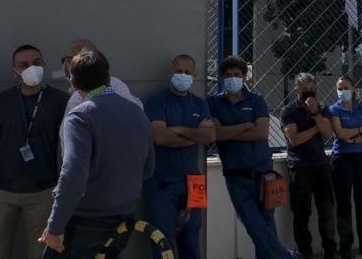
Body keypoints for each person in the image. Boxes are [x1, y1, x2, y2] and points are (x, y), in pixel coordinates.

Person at [40, 48, 154, 259]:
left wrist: (54, 229)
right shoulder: (137, 112)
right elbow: (147, 169)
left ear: (72, 83)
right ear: (108, 77)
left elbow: (73, 174)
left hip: (87, 219)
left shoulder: (80, 117)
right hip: (124, 216)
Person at [0, 45, 69, 259]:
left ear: (44, 65)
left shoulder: (60, 100)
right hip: (1, 192)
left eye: (37, 63)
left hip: (44, 192)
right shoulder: (0, 101)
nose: (32, 68)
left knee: (41, 254)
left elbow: (71, 145)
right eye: (24, 65)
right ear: (14, 71)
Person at [209, 56, 298, 259]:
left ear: (244, 77)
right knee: (255, 227)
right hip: (236, 176)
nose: (233, 78)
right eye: (229, 75)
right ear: (222, 78)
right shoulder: (214, 103)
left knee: (266, 225)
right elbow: (215, 134)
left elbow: (261, 133)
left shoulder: (256, 99)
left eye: (237, 75)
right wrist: (244, 126)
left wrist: (228, 131)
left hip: (264, 174)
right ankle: (287, 256)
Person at [144, 54, 214, 259]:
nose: (182, 75)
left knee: (191, 241)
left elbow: (209, 136)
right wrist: (195, 135)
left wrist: (178, 130)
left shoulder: (200, 104)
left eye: (186, 72)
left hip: (193, 183)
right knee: (163, 242)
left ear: (195, 74)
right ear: (170, 73)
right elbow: (160, 137)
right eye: (178, 71)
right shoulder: (156, 101)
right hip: (161, 184)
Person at [281, 73, 337, 259]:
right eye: (304, 89)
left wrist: (315, 114)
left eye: (311, 88)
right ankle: (305, 252)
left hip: (321, 165)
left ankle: (330, 250)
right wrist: (316, 128)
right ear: (297, 89)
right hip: (300, 166)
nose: (308, 92)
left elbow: (328, 133)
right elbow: (294, 139)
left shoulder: (321, 108)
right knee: (301, 212)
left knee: (326, 210)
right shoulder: (289, 111)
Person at [329, 75, 362, 258]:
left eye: (345, 87)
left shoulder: (361, 108)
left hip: (361, 159)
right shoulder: (334, 110)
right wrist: (359, 130)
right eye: (339, 88)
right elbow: (340, 133)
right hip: (341, 159)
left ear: (353, 89)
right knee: (344, 204)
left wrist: (354, 138)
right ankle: (345, 247)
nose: (342, 91)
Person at [61, 39, 142, 113]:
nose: (64, 64)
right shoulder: (116, 86)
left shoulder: (115, 86)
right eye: (63, 60)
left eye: (68, 59)